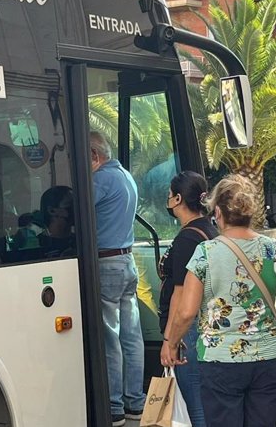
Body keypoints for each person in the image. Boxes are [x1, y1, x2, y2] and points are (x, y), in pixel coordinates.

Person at [163, 174, 276, 427]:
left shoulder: (206, 252)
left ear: (218, 212)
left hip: (220, 362)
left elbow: (186, 312)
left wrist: (172, 343)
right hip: (268, 360)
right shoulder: (273, 249)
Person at [90, 131, 145, 427]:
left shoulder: (99, 180)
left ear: (95, 156)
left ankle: (114, 406)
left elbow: (77, 213)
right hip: (127, 260)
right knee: (131, 336)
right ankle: (135, 401)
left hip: (106, 262)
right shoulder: (126, 176)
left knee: (110, 338)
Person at [158, 171, 218, 427]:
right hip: (206, 324)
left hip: (188, 330)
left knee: (194, 402)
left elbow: (180, 295)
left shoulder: (187, 238)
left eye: (170, 195)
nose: (168, 199)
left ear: (178, 199)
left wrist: (170, 340)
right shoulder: (209, 230)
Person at [38, 185, 76, 257]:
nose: (75, 209)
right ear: (51, 211)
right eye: (70, 205)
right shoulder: (37, 245)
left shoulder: (82, 242)